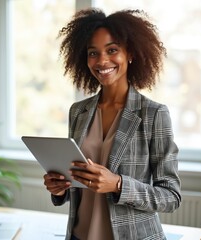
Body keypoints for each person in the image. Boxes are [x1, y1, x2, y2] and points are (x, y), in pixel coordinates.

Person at [43, 8, 181, 240]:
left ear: (130, 53)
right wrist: (60, 189)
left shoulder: (154, 114)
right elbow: (77, 183)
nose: (102, 61)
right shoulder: (79, 111)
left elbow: (171, 196)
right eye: (93, 53)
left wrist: (118, 184)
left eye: (112, 50)